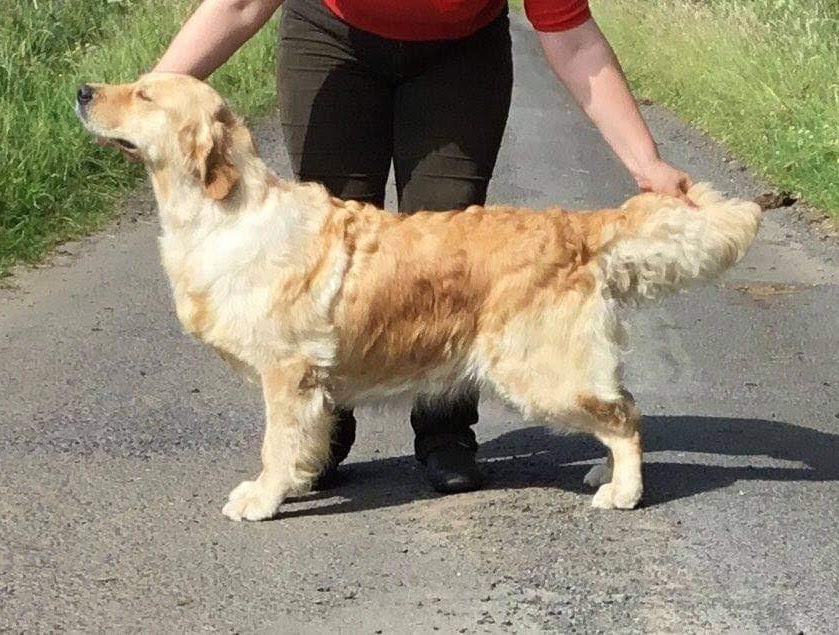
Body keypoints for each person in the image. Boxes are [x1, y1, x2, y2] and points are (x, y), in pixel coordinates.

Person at [153, 0, 693, 495]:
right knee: (326, 262)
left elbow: (571, 36)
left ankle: (446, 433)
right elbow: (241, 4)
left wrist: (645, 162)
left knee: (453, 261)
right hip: (333, 39)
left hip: (459, 56)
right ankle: (321, 434)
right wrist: (151, 98)